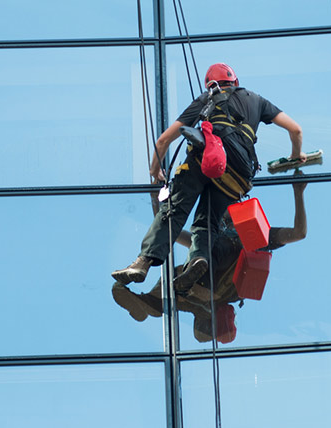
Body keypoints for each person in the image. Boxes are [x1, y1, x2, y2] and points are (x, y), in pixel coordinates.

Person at [112, 63, 305, 287]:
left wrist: (155, 171)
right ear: (236, 82)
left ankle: (143, 262)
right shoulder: (257, 100)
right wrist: (295, 156)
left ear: (211, 84)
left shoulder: (206, 99)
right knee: (207, 222)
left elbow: (163, 141)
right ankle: (198, 258)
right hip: (239, 176)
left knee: (174, 210)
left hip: (208, 160)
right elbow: (296, 130)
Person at [112, 173, 308, 343]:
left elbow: (299, 233)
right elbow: (170, 230)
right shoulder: (210, 237)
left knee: (197, 259)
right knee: (189, 263)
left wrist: (298, 193)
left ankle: (153, 305)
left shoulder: (257, 236)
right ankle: (148, 305)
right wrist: (156, 196)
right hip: (203, 286)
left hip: (212, 285)